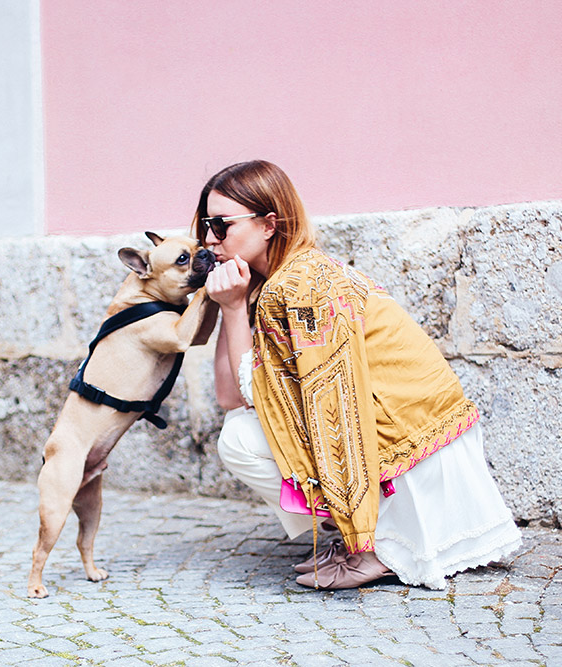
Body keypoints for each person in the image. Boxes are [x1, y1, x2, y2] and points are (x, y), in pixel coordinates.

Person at [196, 160, 521, 590]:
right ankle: (363, 534)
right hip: (414, 434)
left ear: (269, 224)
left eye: (221, 225)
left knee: (240, 438)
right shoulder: (285, 278)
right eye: (204, 225)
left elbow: (332, 404)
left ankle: (377, 546)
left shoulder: (298, 288)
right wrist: (232, 307)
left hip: (409, 443)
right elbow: (231, 397)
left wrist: (363, 544)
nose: (208, 240)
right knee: (239, 427)